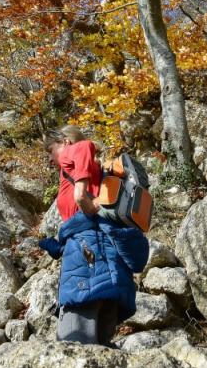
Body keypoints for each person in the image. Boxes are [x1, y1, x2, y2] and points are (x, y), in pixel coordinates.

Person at [40, 126, 149, 346]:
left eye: (50, 151)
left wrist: (80, 193)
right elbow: (93, 226)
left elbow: (84, 146)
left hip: (87, 264)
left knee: (73, 346)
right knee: (100, 347)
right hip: (111, 264)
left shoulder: (73, 156)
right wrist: (60, 246)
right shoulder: (99, 175)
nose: (50, 160)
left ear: (65, 142)